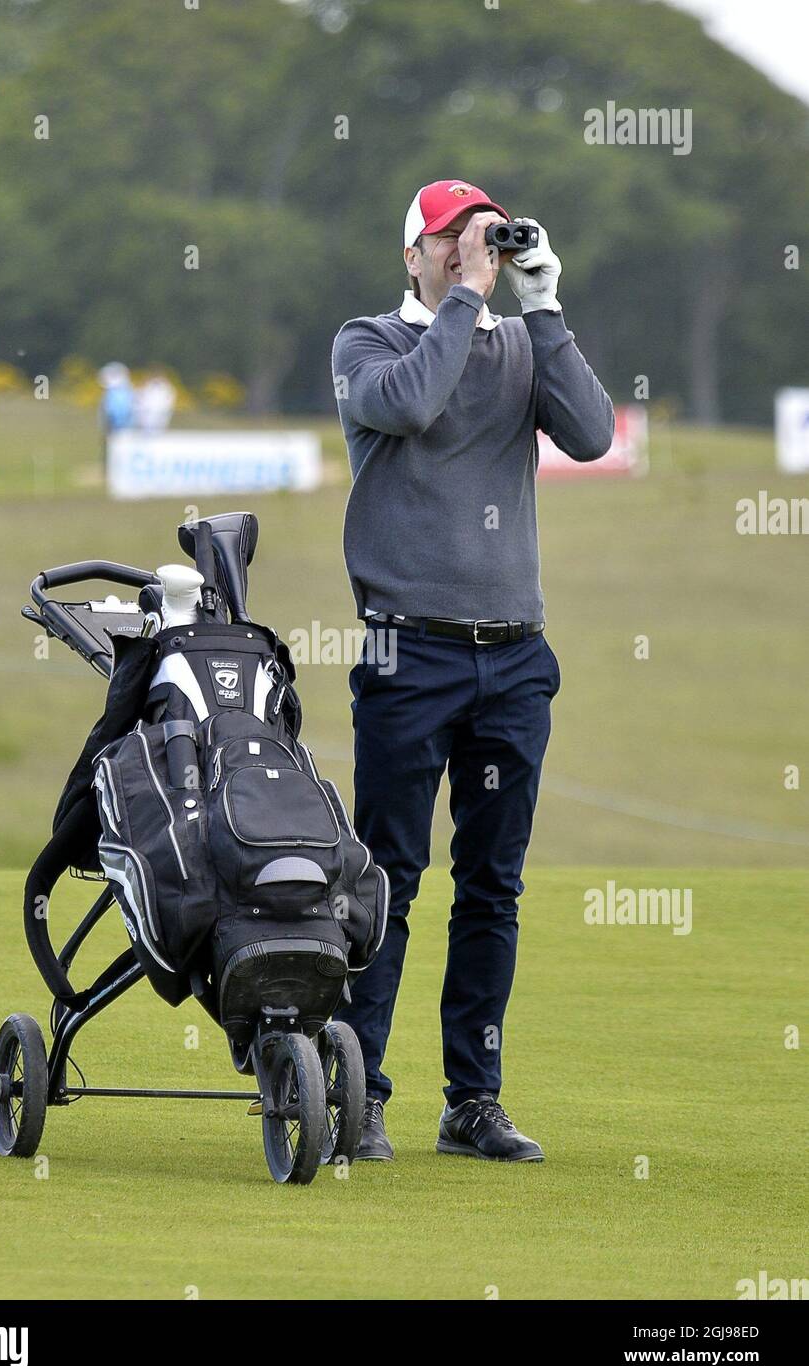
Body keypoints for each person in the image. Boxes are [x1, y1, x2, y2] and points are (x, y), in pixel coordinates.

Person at [330, 179, 614, 1163]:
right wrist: (467, 298)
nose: (464, 253)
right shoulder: (365, 343)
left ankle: (472, 1100)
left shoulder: (514, 341)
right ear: (411, 255)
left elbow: (589, 434)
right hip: (406, 652)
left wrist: (541, 305)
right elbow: (408, 404)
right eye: (447, 240)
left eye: (475, 237)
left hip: (512, 655)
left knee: (491, 887)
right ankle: (358, 1090)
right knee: (385, 880)